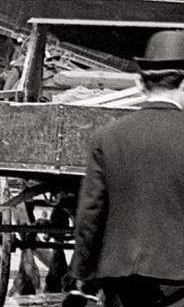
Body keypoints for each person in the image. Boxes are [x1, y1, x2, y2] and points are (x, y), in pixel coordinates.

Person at [73, 29, 184, 306]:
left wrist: (83, 275)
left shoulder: (106, 138)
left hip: (121, 277)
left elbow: (90, 214)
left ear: (140, 83)